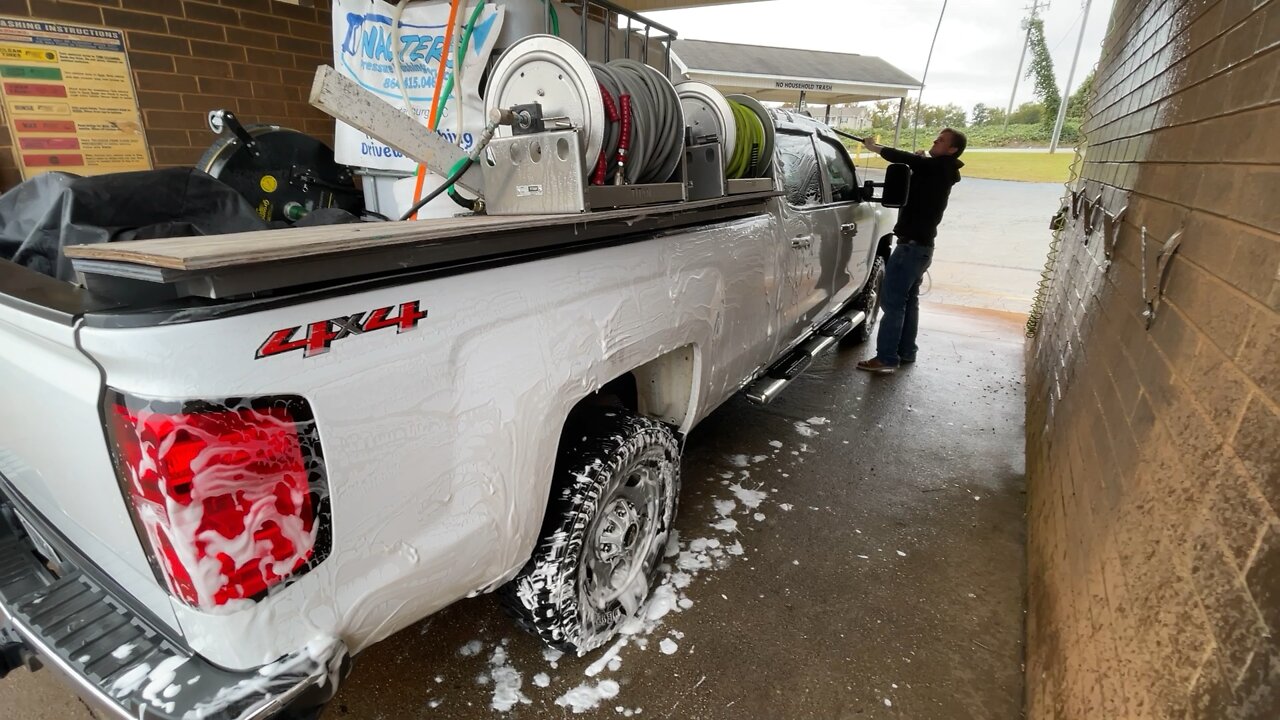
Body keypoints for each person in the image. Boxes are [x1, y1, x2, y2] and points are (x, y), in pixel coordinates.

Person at [855, 129, 966, 374]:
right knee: (908, 302)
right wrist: (921, 162)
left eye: (941, 141)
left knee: (893, 303)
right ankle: (905, 352)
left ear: (952, 150)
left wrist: (875, 148)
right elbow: (918, 175)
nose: (935, 142)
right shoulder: (941, 169)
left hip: (911, 249)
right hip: (920, 249)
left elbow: (904, 158)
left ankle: (886, 358)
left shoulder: (937, 168)